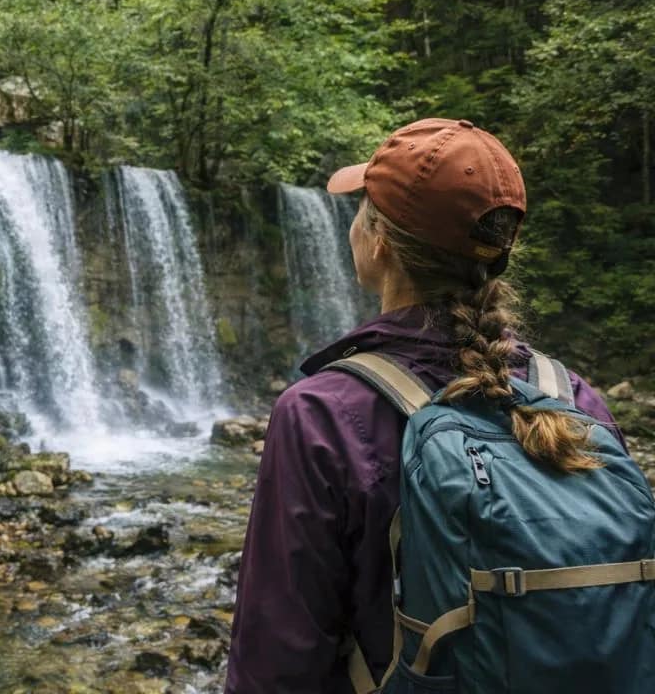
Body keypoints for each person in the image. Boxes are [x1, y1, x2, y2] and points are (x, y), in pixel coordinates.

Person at [223, 118, 623, 693]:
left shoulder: (321, 414)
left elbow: (278, 659)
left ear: (379, 238)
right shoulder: (571, 396)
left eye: (362, 207)